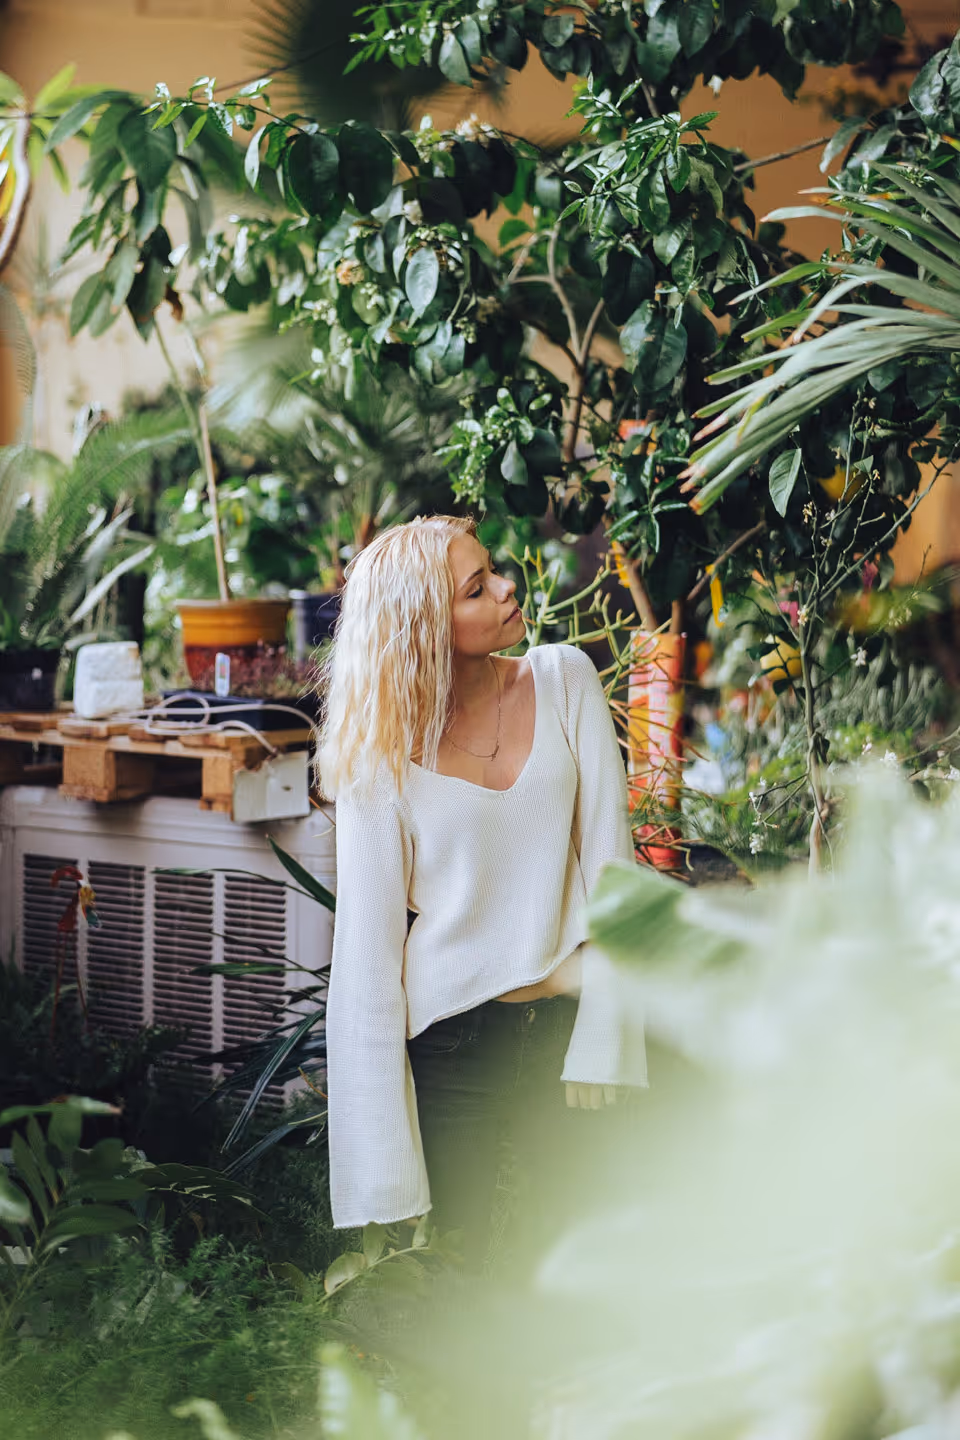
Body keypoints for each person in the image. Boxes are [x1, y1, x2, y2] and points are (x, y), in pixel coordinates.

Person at [317, 514, 647, 1268]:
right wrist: (382, 1174)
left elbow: (613, 872)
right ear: (427, 626)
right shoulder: (379, 760)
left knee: (580, 1260)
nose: (506, 588)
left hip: (565, 1027)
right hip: (455, 1045)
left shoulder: (565, 680)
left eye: (493, 571)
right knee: (461, 1273)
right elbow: (367, 966)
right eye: (476, 588)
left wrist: (606, 1031)